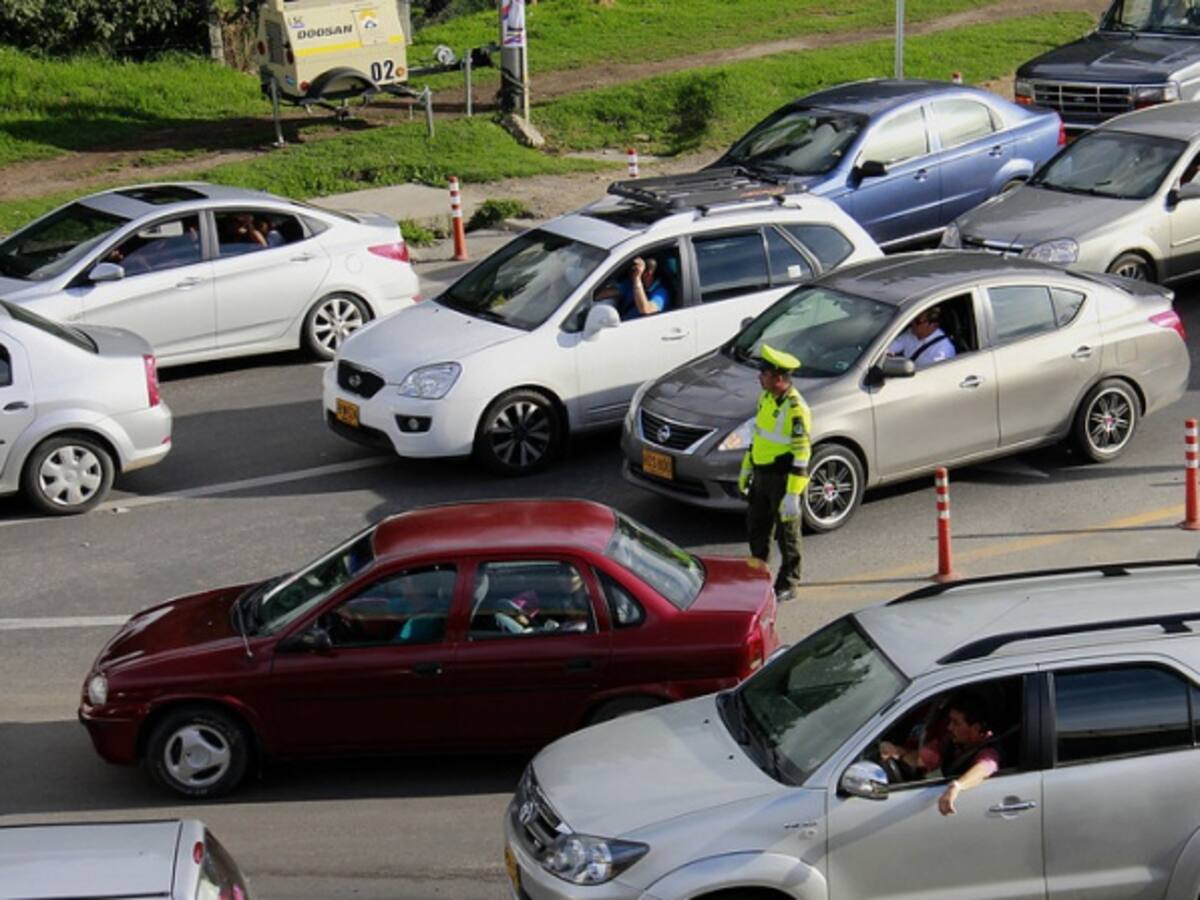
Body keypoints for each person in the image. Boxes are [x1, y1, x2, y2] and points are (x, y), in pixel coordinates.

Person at [737, 344, 811, 602]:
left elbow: (802, 453)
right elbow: (758, 437)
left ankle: (789, 581)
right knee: (756, 528)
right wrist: (747, 469)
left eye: (764, 373)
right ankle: (759, 576)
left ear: (779, 378)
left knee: (787, 534)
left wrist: (793, 494)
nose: (760, 376)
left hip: (783, 480)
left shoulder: (796, 408)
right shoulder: (765, 398)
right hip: (761, 475)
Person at [879, 691, 1002, 816]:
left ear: (975, 728)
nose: (949, 727)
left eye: (956, 723)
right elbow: (923, 757)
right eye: (950, 721)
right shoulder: (951, 741)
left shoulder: (989, 752)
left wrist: (957, 786)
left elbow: (984, 768)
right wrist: (897, 752)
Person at [888, 306, 956, 370]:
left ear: (933, 325)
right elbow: (891, 347)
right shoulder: (911, 333)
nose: (912, 322)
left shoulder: (944, 350)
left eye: (918, 321)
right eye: (913, 318)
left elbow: (934, 375)